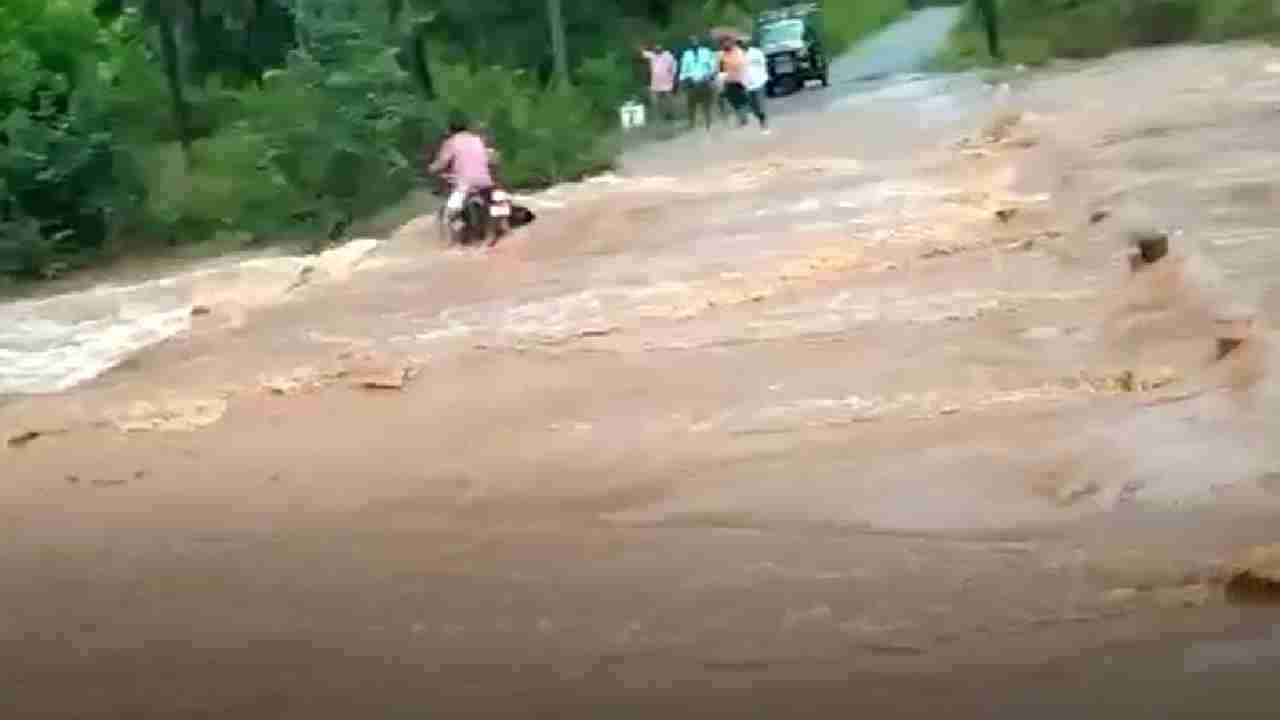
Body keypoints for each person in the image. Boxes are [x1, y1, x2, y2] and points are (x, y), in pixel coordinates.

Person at [428, 116, 494, 222]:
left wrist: (431, 168)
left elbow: (441, 163)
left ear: (450, 130)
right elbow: (489, 159)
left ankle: (454, 230)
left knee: (449, 214)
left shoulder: (451, 142)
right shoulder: (477, 139)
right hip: (485, 181)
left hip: (464, 183)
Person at [678, 35, 716, 131]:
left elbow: (712, 65)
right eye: (691, 41)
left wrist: (710, 75)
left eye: (695, 41)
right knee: (691, 104)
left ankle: (708, 122)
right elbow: (683, 69)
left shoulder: (706, 52)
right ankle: (692, 124)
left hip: (704, 80)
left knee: (706, 104)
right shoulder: (687, 54)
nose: (693, 43)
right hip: (692, 81)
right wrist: (683, 80)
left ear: (698, 42)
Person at [640, 42, 677, 122]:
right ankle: (658, 116)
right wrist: (642, 47)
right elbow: (642, 53)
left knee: (668, 98)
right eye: (656, 48)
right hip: (656, 82)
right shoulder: (652, 55)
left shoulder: (668, 56)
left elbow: (673, 66)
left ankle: (670, 114)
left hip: (666, 81)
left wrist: (672, 77)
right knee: (655, 99)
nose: (657, 50)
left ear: (662, 49)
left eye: (659, 48)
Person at [718, 36, 749, 127]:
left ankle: (743, 116)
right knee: (734, 101)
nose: (725, 45)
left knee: (742, 99)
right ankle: (741, 118)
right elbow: (721, 70)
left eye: (727, 42)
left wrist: (745, 78)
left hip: (740, 79)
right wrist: (721, 82)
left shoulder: (739, 52)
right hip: (729, 80)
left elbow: (744, 65)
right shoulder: (722, 56)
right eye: (723, 43)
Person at [742, 38, 770, 133]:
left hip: (759, 82)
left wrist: (764, 76)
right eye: (740, 43)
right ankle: (759, 116)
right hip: (746, 85)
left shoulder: (756, 52)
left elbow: (764, 65)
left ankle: (764, 124)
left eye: (743, 43)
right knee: (752, 107)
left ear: (747, 43)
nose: (742, 45)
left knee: (760, 105)